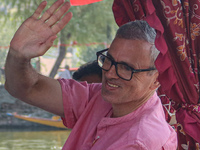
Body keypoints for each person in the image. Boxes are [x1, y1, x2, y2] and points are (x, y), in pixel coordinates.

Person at [4, 0, 177, 149]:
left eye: (126, 68)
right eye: (109, 60)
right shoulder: (97, 98)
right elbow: (27, 88)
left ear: (157, 80)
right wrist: (18, 55)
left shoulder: (140, 142)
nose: (109, 73)